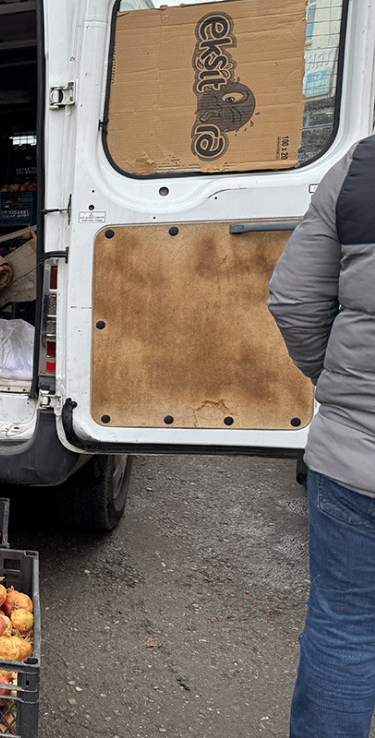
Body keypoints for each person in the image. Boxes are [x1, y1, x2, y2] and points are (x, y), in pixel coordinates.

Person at [269, 133, 375, 738]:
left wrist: (336, 387)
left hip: (355, 457)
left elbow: (293, 299)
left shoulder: (361, 166)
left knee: (344, 626)